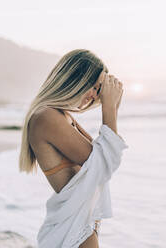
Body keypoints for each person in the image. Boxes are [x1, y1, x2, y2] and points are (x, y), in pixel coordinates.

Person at [18, 49, 128, 247]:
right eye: (93, 87)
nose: (95, 95)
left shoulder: (63, 116)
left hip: (77, 224)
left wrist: (112, 104)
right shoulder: (46, 117)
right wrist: (109, 108)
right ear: (76, 80)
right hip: (73, 229)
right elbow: (104, 164)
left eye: (99, 89)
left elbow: (102, 157)